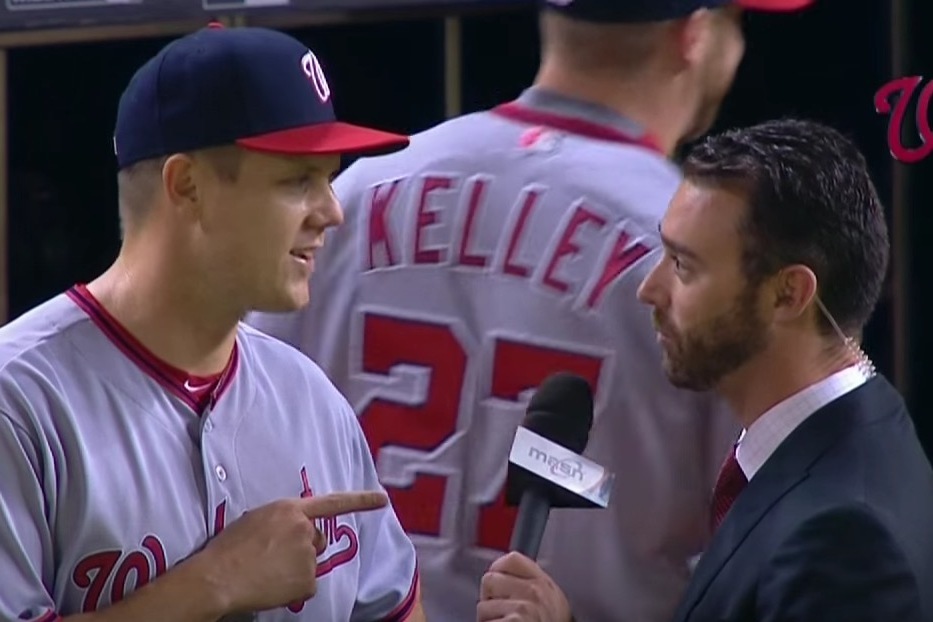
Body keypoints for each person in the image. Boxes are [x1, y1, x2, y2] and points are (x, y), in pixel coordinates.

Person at [245, 0, 814, 620]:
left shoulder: (352, 196)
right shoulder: (704, 255)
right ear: (694, 37)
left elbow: (240, 448)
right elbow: (781, 549)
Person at [0, 24, 426, 622]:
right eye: (297, 180)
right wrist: (215, 582)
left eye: (328, 179)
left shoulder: (312, 401)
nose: (331, 211)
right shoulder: (18, 402)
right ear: (188, 185)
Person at [476, 117, 933, 622]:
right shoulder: (859, 425)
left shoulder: (846, 541)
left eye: (682, 265)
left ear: (787, 294)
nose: (648, 289)